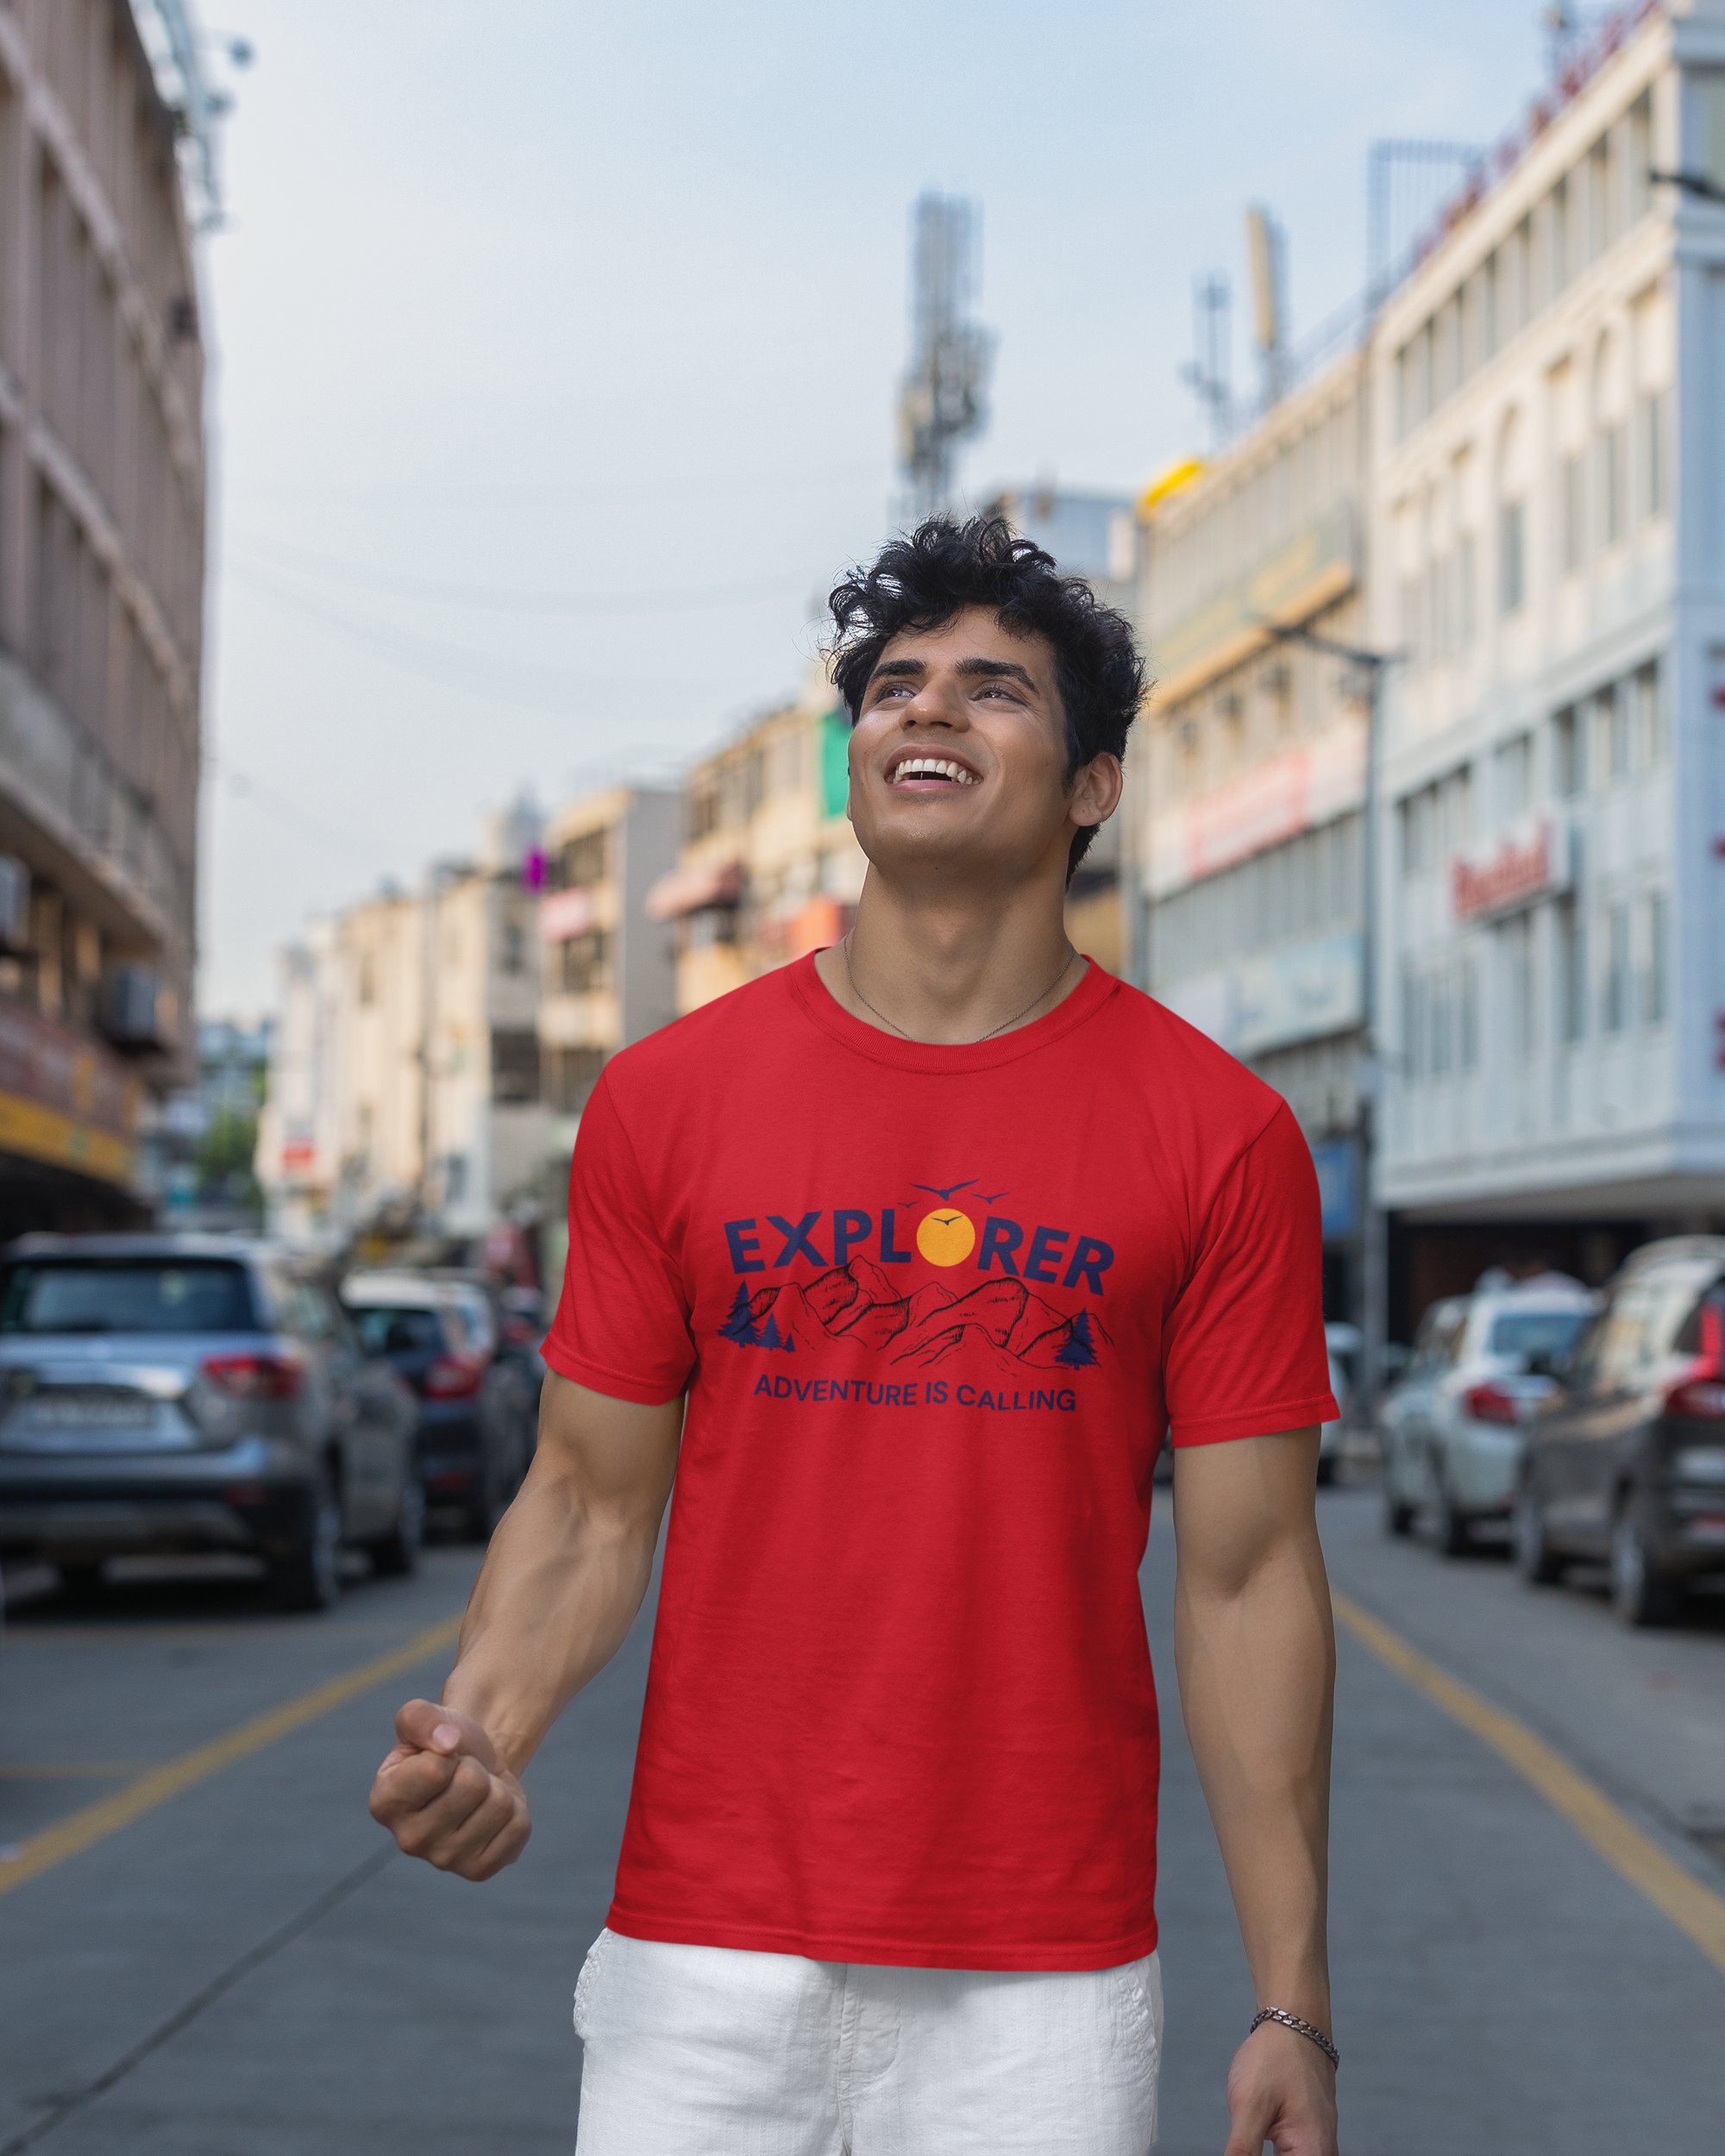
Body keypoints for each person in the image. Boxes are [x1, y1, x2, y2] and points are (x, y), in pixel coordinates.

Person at [370, 516, 1342, 2156]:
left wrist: (1292, 2000)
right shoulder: (668, 1100)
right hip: (700, 1960)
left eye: (992, 691)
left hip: (1042, 1981)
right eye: (894, 688)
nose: (927, 713)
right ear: (856, 759)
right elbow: (595, 1499)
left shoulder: (1220, 1134)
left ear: (1094, 784)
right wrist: (484, 1731)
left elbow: (1249, 1576)